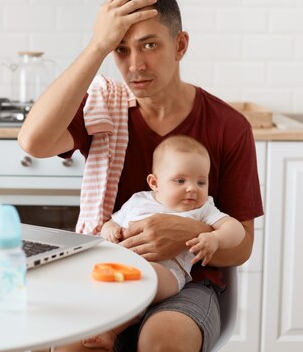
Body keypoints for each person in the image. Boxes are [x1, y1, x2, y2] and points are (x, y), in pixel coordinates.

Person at [18, 0, 264, 352]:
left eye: (150, 45)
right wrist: (97, 45)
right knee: (72, 346)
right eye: (121, 49)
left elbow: (241, 246)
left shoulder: (228, 126)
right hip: (111, 271)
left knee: (162, 340)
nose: (134, 65)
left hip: (189, 282)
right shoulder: (104, 110)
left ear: (180, 45)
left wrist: (187, 234)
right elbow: (33, 141)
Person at [82, 135, 245, 350]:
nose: (192, 188)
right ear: (155, 183)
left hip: (169, 274)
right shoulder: (138, 201)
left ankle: (111, 331)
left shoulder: (202, 208)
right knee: (101, 285)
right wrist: (110, 230)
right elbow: (112, 222)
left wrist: (214, 237)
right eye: (180, 180)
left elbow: (236, 230)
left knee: (142, 279)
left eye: (201, 182)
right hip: (122, 270)